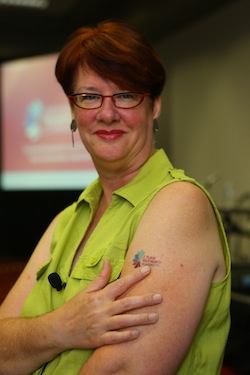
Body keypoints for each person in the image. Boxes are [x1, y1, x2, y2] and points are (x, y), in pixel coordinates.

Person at [0, 20, 231, 375]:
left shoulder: (177, 205)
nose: (107, 114)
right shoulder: (67, 221)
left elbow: (123, 368)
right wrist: (61, 327)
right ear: (73, 110)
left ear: (153, 106)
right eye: (90, 96)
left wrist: (34, 338)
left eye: (125, 94)